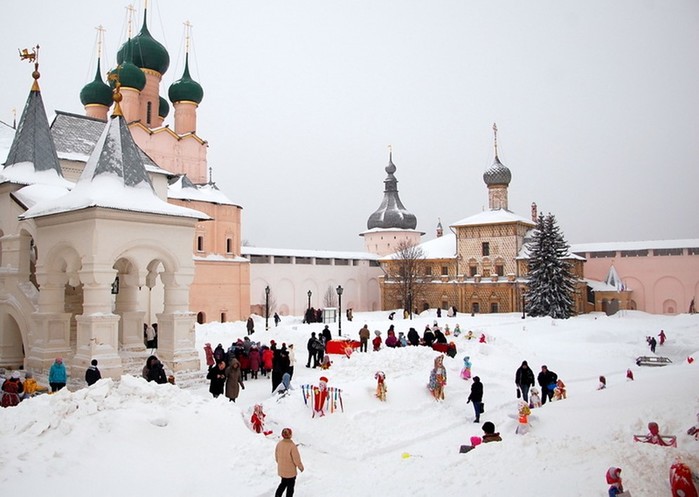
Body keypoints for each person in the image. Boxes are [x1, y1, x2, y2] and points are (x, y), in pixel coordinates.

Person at [275, 427, 304, 497]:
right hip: (290, 472)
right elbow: (296, 459)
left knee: (283, 483)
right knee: (290, 487)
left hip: (282, 470)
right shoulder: (292, 445)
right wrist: (301, 467)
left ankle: (277, 495)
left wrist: (281, 464)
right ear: (290, 435)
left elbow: (276, 457)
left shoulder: (279, 444)